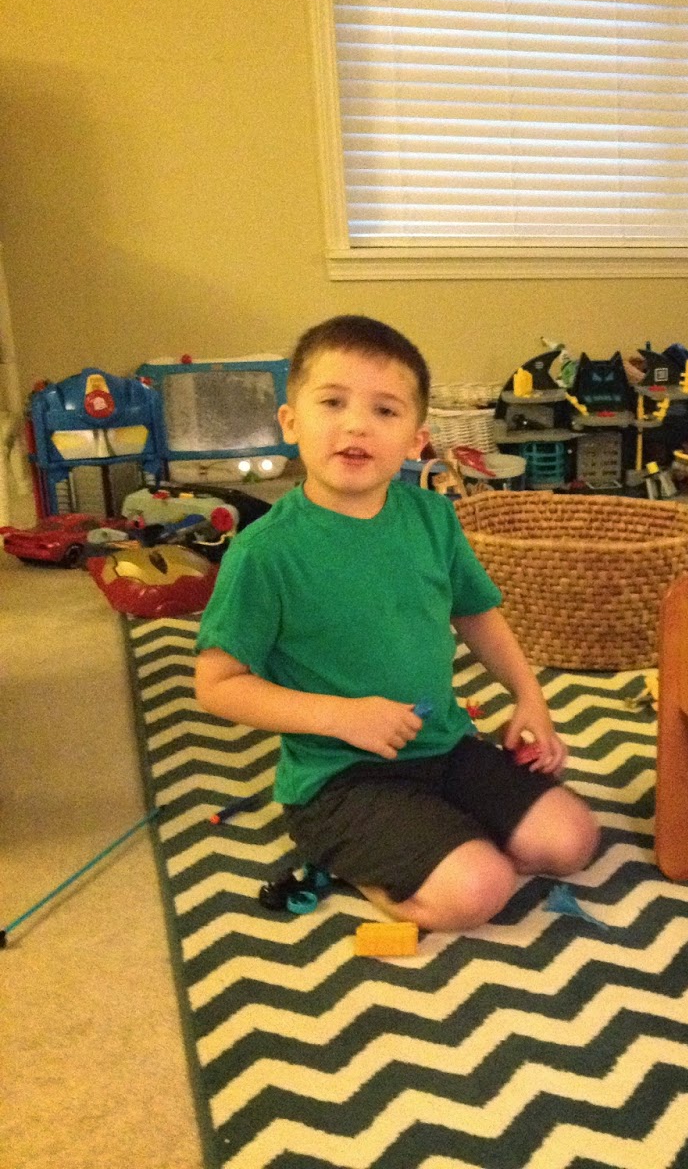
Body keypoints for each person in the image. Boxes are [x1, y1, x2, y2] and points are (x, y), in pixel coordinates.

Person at [193, 315, 599, 932]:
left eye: (385, 411)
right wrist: (342, 716)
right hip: (341, 781)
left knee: (572, 839)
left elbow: (476, 611)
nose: (357, 425)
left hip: (444, 746)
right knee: (481, 889)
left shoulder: (433, 517)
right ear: (291, 422)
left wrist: (529, 697)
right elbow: (217, 685)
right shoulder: (264, 553)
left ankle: (439, 838)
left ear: (416, 440)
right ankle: (360, 865)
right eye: (333, 402)